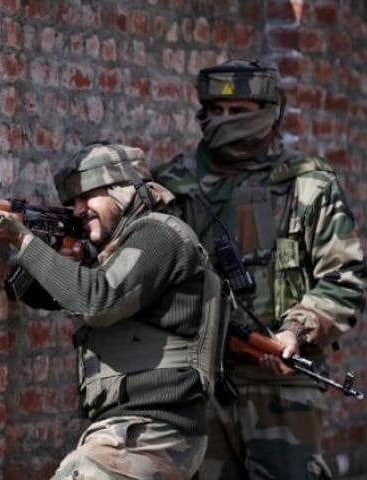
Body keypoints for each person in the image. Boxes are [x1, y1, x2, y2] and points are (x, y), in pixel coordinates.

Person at [154, 60, 367, 479]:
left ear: (270, 112)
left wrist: (295, 332)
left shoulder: (307, 185)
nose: (223, 121)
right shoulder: (172, 185)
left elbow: (344, 278)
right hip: (199, 383)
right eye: (215, 111)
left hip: (282, 387)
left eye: (238, 112)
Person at [0, 143, 227, 479]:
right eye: (73, 201)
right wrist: (49, 249)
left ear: (123, 190)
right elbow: (47, 293)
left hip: (152, 430)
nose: (77, 209)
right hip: (134, 429)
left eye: (87, 196)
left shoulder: (160, 233)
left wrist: (23, 240)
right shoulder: (112, 254)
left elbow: (98, 301)